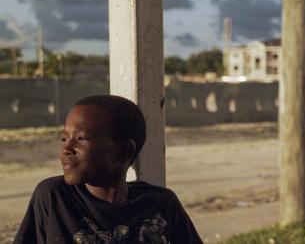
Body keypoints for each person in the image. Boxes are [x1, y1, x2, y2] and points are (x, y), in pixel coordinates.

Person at [13, 94, 203, 244]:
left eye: (80, 139)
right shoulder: (54, 197)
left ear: (123, 151)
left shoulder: (161, 204)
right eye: (64, 138)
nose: (66, 149)